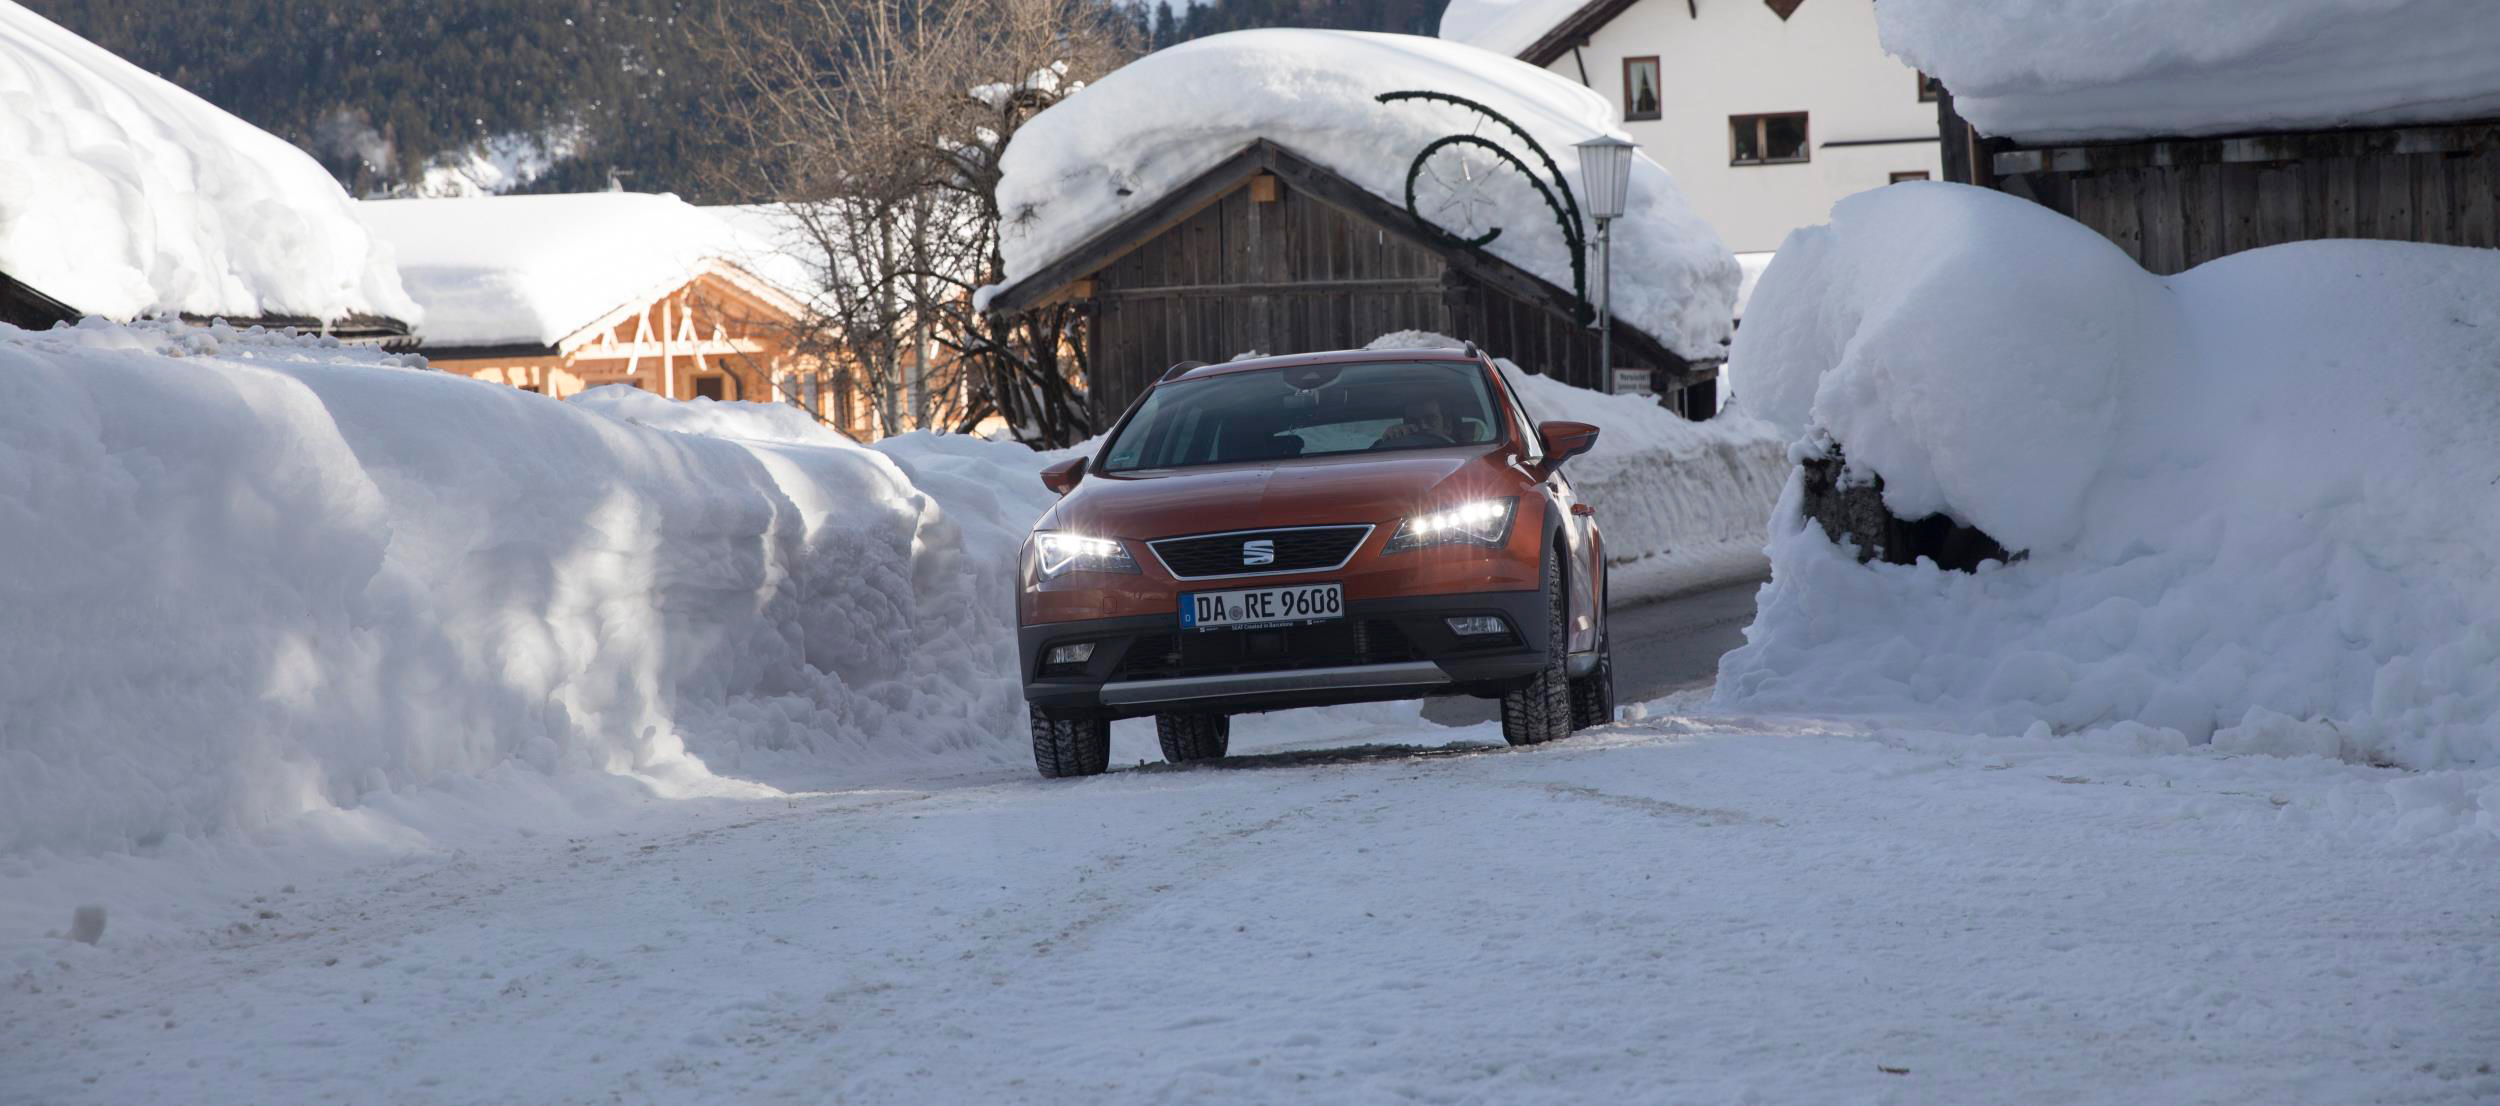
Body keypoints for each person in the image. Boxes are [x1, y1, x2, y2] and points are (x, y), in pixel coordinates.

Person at [1376, 396, 1456, 447]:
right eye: (1412, 421)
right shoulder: (1395, 447)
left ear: (1447, 426)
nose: (1423, 426)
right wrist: (1387, 442)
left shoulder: (1465, 450)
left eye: (1431, 419)